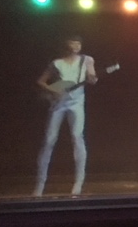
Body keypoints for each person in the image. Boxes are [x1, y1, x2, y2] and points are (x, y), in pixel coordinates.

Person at [33, 35, 98, 196]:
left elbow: (92, 76)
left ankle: (78, 182)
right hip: (59, 103)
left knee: (77, 136)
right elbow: (41, 81)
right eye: (73, 43)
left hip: (77, 103)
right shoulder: (57, 63)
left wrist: (92, 78)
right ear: (66, 44)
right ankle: (40, 183)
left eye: (78, 43)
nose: (76, 46)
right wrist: (53, 90)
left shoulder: (86, 60)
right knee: (49, 140)